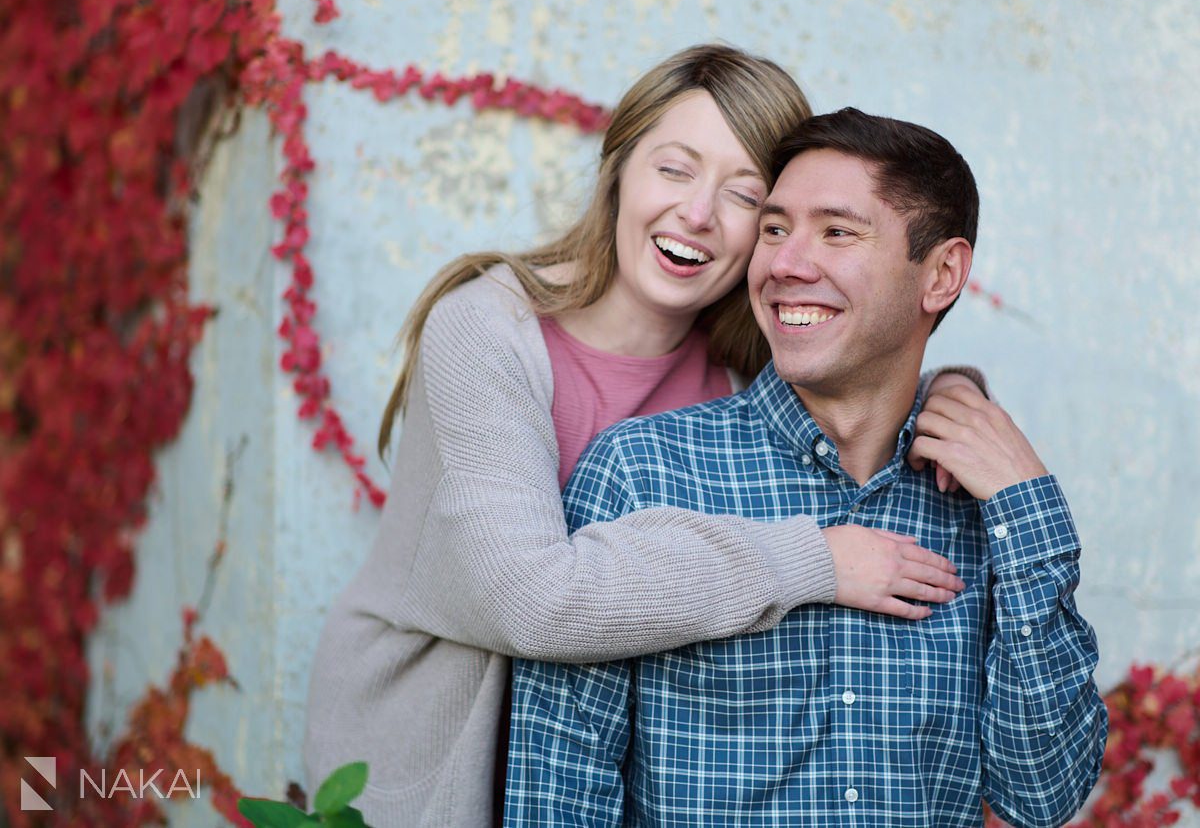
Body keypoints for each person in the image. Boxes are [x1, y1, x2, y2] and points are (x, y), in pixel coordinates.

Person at [303, 48, 983, 828]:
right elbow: (533, 600)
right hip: (432, 770)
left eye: (743, 197)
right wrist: (814, 559)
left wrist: (953, 397)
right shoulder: (489, 332)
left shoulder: (743, 372)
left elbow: (873, 365)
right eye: (675, 169)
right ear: (619, 169)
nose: (697, 214)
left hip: (603, 788)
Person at [505, 108, 1107, 828]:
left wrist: (1027, 506)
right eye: (774, 228)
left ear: (942, 273)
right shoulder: (643, 472)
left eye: (837, 231)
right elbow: (556, 796)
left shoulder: (985, 501)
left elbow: (1042, 796)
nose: (786, 264)